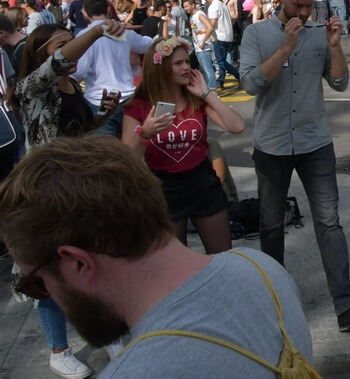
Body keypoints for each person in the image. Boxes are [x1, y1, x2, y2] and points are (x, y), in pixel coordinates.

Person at [0, 135, 317, 378]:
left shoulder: (134, 372)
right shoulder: (264, 271)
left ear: (77, 262)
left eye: (38, 284)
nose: (46, 296)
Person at [239, 0, 350, 331]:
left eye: (309, 5)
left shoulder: (319, 33)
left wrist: (334, 47)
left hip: (315, 141)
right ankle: (276, 303)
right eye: (297, 5)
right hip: (272, 145)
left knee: (329, 222)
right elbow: (251, 84)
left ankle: (346, 308)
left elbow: (341, 82)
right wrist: (286, 46)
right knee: (271, 225)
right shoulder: (256, 34)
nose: (303, 13)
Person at [11, 21, 127, 378]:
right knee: (47, 271)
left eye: (72, 40)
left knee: (90, 260)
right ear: (42, 52)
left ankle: (106, 332)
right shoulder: (30, 86)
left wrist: (103, 115)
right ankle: (58, 350)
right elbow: (59, 63)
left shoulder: (71, 85)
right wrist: (94, 32)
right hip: (43, 190)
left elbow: (76, 130)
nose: (71, 48)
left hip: (76, 185)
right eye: (62, 43)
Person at [122, 37, 245, 254]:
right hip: (162, 189)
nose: (186, 67)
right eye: (178, 63)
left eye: (187, 62)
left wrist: (207, 93)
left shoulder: (196, 99)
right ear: (160, 68)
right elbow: (127, 159)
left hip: (202, 184)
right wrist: (146, 134)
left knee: (223, 257)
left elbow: (236, 126)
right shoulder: (139, 106)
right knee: (175, 267)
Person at [71, 0, 154, 137]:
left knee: (106, 154)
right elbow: (146, 45)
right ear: (109, 9)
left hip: (99, 100)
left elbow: (80, 72)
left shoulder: (84, 36)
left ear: (84, 12)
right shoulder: (123, 31)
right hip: (127, 98)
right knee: (129, 151)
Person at [205, 0, 240, 88]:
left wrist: (205, 36)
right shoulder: (223, 4)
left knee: (221, 61)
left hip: (220, 36)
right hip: (228, 36)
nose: (206, 1)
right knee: (222, 61)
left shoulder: (213, 6)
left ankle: (238, 75)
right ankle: (220, 81)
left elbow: (212, 23)